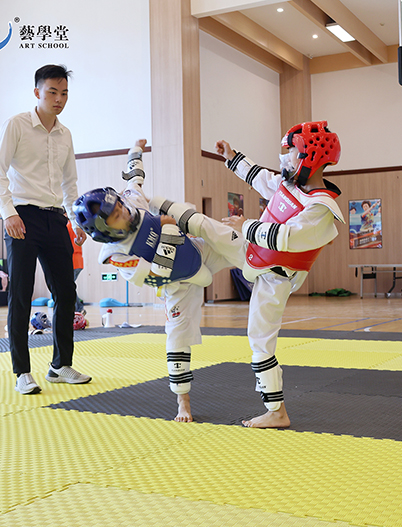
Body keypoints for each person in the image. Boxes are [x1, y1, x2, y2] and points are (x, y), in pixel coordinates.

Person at [73, 139, 246, 423]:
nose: (123, 211)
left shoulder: (131, 202)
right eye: (116, 215)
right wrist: (167, 235)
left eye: (119, 206)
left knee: (236, 245)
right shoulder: (117, 255)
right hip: (176, 285)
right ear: (104, 230)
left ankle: (270, 250)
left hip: (197, 250)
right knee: (177, 338)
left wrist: (135, 150)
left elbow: (134, 177)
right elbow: (156, 277)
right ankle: (183, 402)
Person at [216, 120, 344, 428]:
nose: (284, 158)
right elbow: (261, 178)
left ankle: (276, 411)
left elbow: (285, 237)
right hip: (252, 251)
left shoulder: (321, 208)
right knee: (205, 235)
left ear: (310, 157)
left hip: (277, 275)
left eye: (291, 152)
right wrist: (232, 157)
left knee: (259, 338)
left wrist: (245, 225)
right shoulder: (290, 184)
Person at [0, 64, 91, 395]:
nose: (58, 99)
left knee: (66, 293)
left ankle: (60, 366)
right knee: (20, 295)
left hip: (55, 219)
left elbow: (70, 183)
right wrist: (8, 214)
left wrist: (77, 220)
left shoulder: (66, 134)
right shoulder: (16, 125)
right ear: (37, 92)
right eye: (52, 92)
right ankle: (22, 371)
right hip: (22, 217)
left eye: (64, 93)